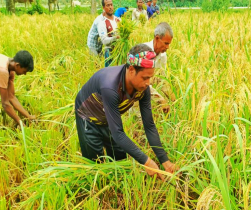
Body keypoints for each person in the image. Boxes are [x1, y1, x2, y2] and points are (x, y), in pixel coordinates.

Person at [75, 44, 178, 180]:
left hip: (108, 116)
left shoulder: (143, 89)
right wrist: (147, 162)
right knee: (95, 166)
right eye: (144, 78)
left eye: (150, 78)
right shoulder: (111, 87)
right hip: (88, 116)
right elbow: (118, 133)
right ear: (131, 70)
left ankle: (117, 188)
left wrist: (164, 160)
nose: (148, 83)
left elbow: (149, 126)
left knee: (120, 157)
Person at [144, 22, 173, 109]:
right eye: (166, 43)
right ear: (157, 38)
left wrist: (172, 97)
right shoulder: (143, 53)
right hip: (137, 94)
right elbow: (142, 83)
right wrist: (160, 100)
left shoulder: (163, 56)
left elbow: (162, 80)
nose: (168, 47)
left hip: (149, 94)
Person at [87, 0, 120, 67]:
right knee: (96, 63)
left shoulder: (117, 19)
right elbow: (104, 40)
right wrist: (115, 38)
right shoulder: (101, 21)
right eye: (108, 5)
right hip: (93, 44)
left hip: (103, 43)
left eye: (111, 5)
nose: (110, 7)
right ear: (103, 8)